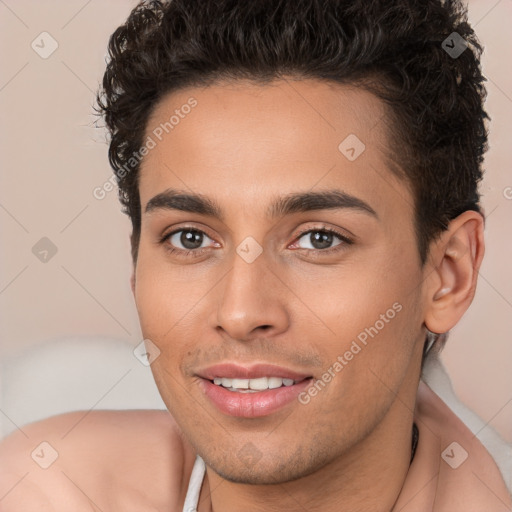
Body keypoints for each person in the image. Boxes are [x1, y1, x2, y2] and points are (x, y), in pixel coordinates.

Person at [1, 0, 511, 510]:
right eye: (190, 238)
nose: (241, 314)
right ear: (136, 267)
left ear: (448, 275)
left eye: (319, 239)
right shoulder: (40, 488)